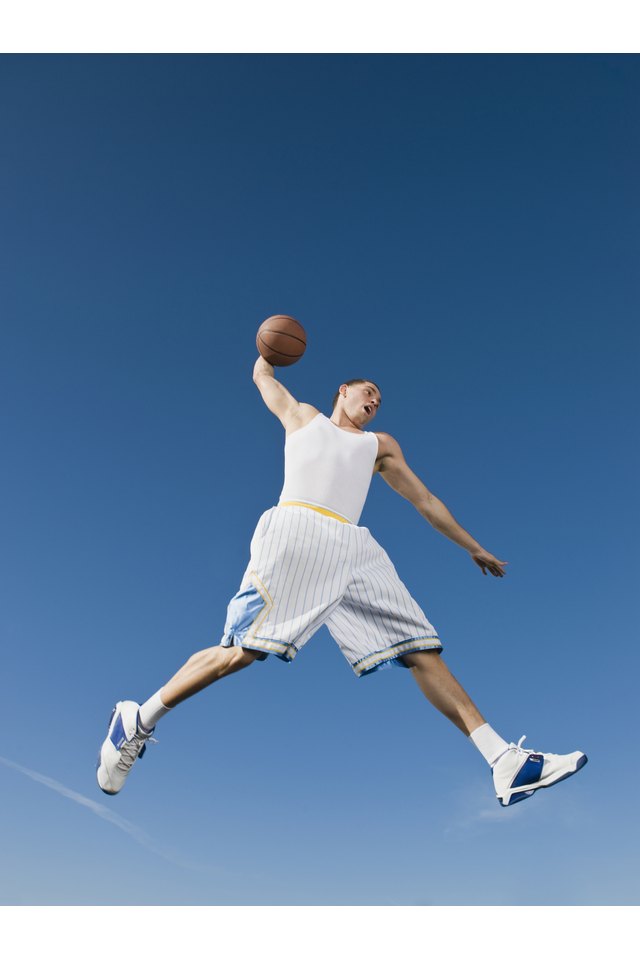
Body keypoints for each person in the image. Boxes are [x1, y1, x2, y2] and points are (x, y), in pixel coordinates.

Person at [97, 355, 587, 807]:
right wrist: (268, 354)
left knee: (421, 649)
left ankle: (505, 761)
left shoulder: (380, 446)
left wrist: (471, 545)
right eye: (367, 391)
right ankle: (138, 719)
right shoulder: (302, 416)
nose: (373, 401)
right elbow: (262, 378)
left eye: (379, 399)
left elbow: (426, 502)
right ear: (342, 391)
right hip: (297, 531)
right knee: (242, 651)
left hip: (354, 549)